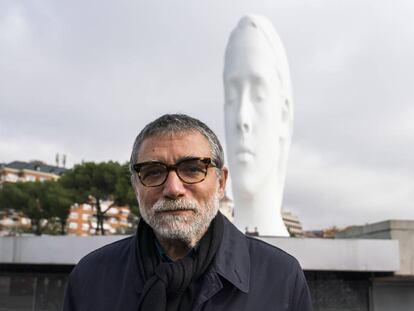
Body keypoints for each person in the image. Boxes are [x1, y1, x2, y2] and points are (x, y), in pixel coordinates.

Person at [63, 114, 312, 311]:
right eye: (153, 172)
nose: (173, 189)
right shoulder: (90, 277)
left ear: (221, 182)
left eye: (192, 169)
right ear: (135, 186)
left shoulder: (281, 277)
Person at [223, 15, 293, 236]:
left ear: (284, 115)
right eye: (231, 95)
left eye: (259, 94)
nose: (242, 119)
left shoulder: (288, 267)